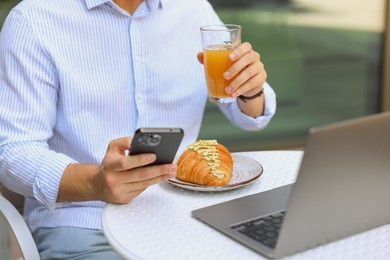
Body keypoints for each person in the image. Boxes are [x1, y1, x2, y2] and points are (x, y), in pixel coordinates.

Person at [0, 0, 276, 259]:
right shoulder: (33, 19)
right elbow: (12, 151)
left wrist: (250, 91)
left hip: (188, 215)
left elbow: (248, 116)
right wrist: (93, 182)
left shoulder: (193, 9)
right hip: (85, 223)